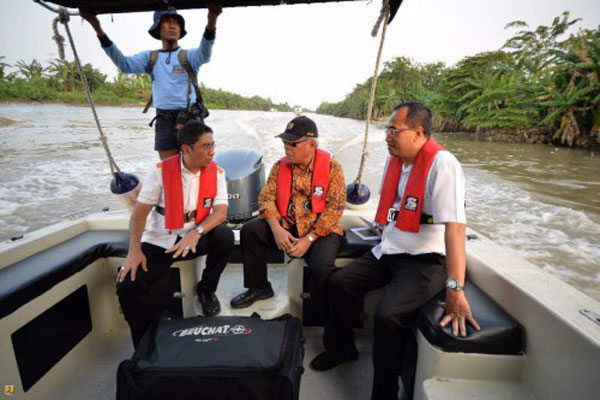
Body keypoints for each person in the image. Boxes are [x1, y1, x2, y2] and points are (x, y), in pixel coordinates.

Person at [310, 102, 480, 400]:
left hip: (426, 261)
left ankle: (385, 393)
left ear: (417, 132)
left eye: (393, 130)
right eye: (387, 130)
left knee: (387, 316)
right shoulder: (398, 160)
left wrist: (455, 288)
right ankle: (342, 348)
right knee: (340, 283)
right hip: (390, 249)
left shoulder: (443, 165)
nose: (387, 136)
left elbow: (455, 230)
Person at [117, 120, 234, 347]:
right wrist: (134, 250)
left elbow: (220, 213)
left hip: (195, 236)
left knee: (225, 237)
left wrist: (196, 233)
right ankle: (144, 344)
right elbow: (140, 212)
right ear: (187, 149)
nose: (213, 152)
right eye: (206, 147)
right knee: (128, 285)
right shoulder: (160, 172)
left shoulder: (217, 172)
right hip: (162, 239)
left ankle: (207, 291)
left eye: (213, 145)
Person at [230, 116, 346, 311]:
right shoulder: (279, 166)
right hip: (288, 224)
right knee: (250, 230)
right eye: (284, 142)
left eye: (292, 143)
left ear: (311, 144)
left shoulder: (333, 168)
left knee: (320, 267)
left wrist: (309, 239)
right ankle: (259, 288)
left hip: (321, 230)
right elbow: (266, 198)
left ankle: (317, 310)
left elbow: (335, 208)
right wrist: (277, 230)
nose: (287, 148)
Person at [81, 4, 222, 159]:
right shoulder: (150, 58)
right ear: (158, 29)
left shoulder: (189, 57)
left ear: (181, 29)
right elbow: (124, 65)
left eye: (176, 22)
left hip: (190, 120)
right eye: (167, 21)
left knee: (198, 169)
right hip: (164, 121)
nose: (173, 25)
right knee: (169, 170)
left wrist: (212, 19)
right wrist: (97, 27)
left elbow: (205, 52)